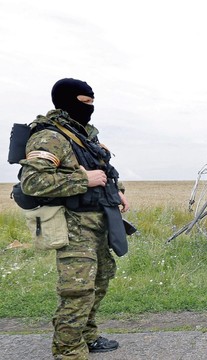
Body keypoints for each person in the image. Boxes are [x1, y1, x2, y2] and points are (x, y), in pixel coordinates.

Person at [19, 78, 130, 359]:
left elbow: (102, 168)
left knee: (101, 280)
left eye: (93, 102)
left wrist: (117, 192)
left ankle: (87, 336)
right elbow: (31, 181)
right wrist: (83, 179)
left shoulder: (84, 135)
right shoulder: (50, 137)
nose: (90, 108)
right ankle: (68, 350)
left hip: (99, 221)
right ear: (67, 102)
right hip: (72, 225)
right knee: (77, 291)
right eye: (85, 102)